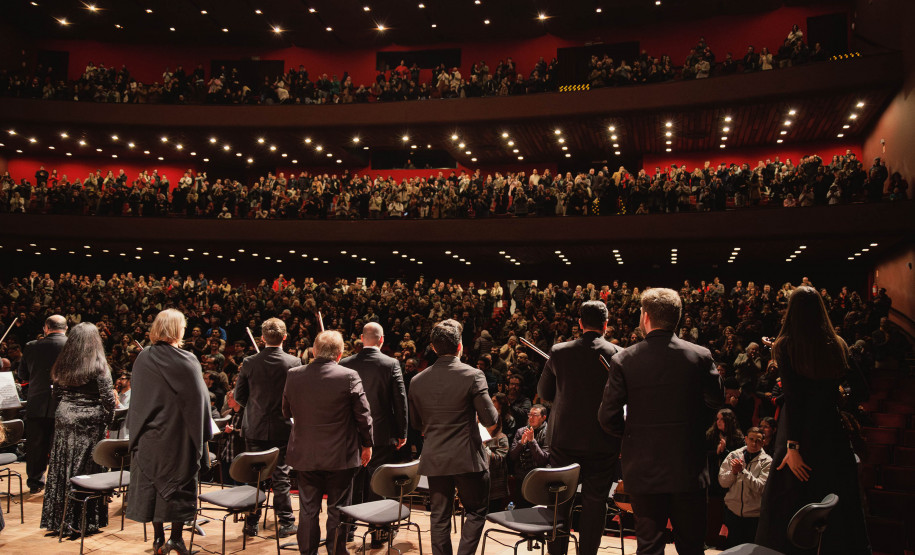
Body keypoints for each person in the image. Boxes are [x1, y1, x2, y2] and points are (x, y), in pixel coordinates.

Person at [599, 287, 722, 555]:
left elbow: (607, 417)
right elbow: (716, 402)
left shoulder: (624, 359)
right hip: (688, 466)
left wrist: (632, 436)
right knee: (691, 548)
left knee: (649, 547)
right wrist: (693, 428)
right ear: (677, 318)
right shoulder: (700, 356)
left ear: (645, 317)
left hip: (644, 468)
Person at [756, 286, 871, 553]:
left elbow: (794, 399)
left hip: (798, 435)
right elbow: (862, 389)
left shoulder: (786, 344)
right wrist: (838, 395)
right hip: (831, 432)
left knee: (788, 504)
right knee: (839, 504)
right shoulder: (837, 343)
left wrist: (793, 447)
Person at [538, 300, 621, 555]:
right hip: (603, 440)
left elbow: (544, 392)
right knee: (595, 503)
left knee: (560, 503)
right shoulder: (619, 354)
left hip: (565, 440)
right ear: (606, 325)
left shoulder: (559, 351)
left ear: (580, 323)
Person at [408, 319, 498, 555]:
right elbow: (491, 419)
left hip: (436, 457)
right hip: (467, 457)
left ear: (433, 347)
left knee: (439, 516)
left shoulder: (416, 381)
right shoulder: (473, 375)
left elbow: (417, 424)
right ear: (460, 346)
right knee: (476, 512)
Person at [127, 309, 212, 555]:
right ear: (178, 330)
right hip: (179, 438)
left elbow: (139, 402)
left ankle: (157, 539)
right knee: (179, 487)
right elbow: (201, 400)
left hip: (150, 436)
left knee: (154, 486)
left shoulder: (143, 358)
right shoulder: (188, 360)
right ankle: (176, 539)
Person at [283, 330, 372, 555]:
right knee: (338, 510)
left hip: (305, 454)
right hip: (340, 456)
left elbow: (285, 411)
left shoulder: (294, 374)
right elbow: (364, 416)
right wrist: (367, 444)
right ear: (340, 354)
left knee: (308, 510)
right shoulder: (349, 376)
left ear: (314, 351)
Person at [40, 322, 117, 534]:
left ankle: (59, 520)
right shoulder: (99, 364)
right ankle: (82, 521)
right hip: (90, 420)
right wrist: (107, 421)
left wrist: (65, 411)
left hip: (65, 416)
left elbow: (57, 395)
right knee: (84, 469)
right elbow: (109, 399)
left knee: (62, 466)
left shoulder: (62, 363)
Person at [339, 322, 408, 547]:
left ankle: (347, 531)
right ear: (381, 340)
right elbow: (400, 401)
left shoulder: (346, 362)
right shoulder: (391, 364)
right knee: (377, 483)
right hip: (381, 434)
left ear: (361, 338)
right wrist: (402, 432)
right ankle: (378, 533)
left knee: (352, 483)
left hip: (352, 435)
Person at [233, 317, 300, 538]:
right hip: (283, 428)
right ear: (284, 337)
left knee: (256, 476)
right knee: (281, 475)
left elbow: (239, 396)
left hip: (255, 427)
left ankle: (251, 523)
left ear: (262, 338)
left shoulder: (250, 362)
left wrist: (254, 407)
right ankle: (286, 522)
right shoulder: (294, 362)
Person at [18, 314, 68, 493]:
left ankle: (35, 483)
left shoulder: (31, 347)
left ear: (46, 328)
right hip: (63, 405)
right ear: (66, 329)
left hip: (36, 403)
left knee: (35, 446)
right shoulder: (72, 346)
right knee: (60, 447)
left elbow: (23, 375)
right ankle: (58, 485)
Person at [718, 427, 771, 547]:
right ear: (745, 439)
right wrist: (734, 473)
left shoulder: (767, 461)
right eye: (751, 439)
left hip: (754, 517)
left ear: (763, 442)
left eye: (758, 441)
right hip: (732, 513)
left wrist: (742, 471)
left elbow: (761, 488)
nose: (754, 443)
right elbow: (722, 482)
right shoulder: (734, 455)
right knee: (732, 550)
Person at [508, 404, 549, 506]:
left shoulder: (548, 433)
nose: (531, 418)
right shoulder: (521, 431)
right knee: (519, 510)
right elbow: (512, 456)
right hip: (521, 478)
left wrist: (532, 441)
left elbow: (542, 459)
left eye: (534, 415)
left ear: (543, 417)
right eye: (529, 414)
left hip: (538, 479)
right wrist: (521, 443)